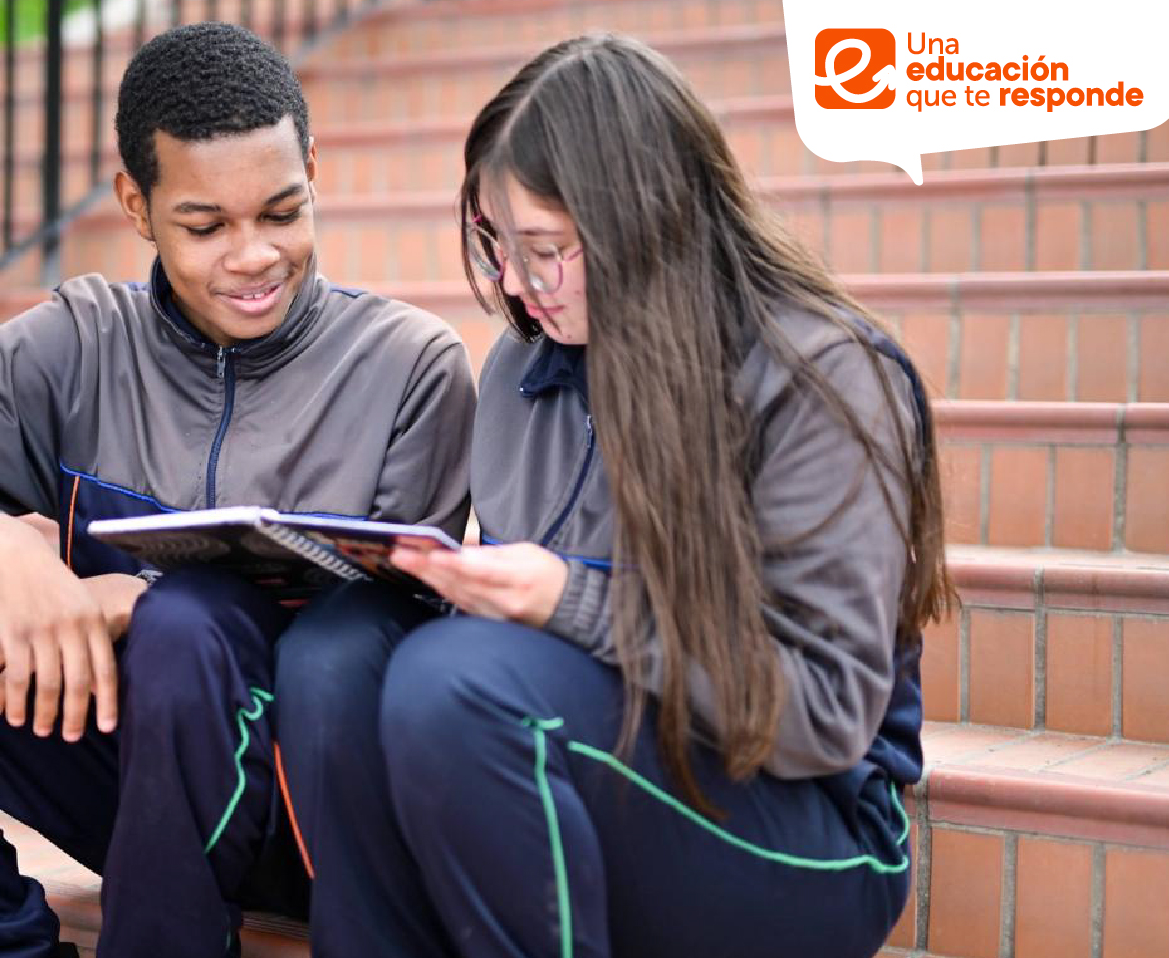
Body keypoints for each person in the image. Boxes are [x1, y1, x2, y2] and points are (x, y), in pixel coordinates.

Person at [0, 22, 475, 958]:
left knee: (188, 622)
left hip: (312, 818)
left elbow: (377, 641)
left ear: (313, 168)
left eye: (281, 211)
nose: (253, 256)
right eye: (205, 225)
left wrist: (131, 597)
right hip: (127, 775)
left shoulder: (410, 366)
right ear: (136, 204)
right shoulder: (78, 343)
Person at [273, 33, 953, 958]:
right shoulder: (524, 367)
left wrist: (565, 598)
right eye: (496, 247)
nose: (513, 284)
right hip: (606, 771)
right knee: (335, 654)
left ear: (645, 218)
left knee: (454, 685)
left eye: (544, 249)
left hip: (807, 829)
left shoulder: (821, 378)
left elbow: (823, 716)